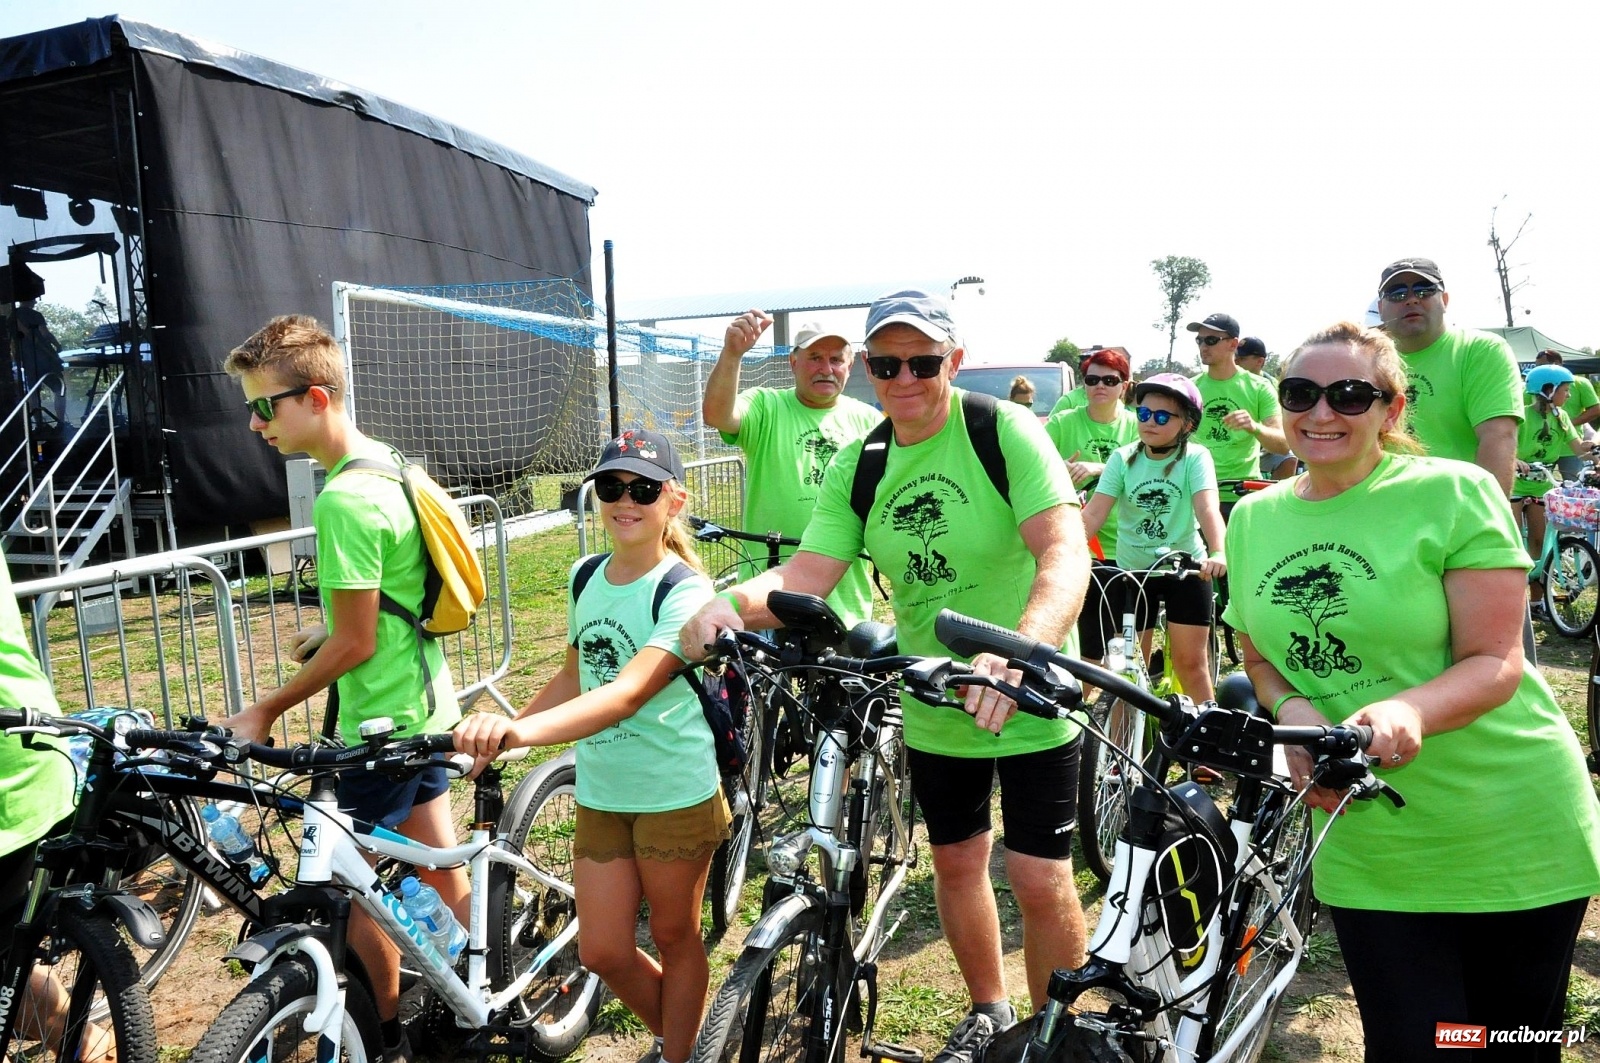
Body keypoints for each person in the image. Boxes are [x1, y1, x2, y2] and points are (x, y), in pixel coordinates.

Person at [681, 288, 1091, 1063]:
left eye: (923, 361)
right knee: (958, 860)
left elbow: (1064, 551)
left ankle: (1051, 1034)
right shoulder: (862, 459)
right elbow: (807, 567)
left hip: (1024, 688)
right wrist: (722, 605)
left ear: (954, 361)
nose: (904, 376)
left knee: (1039, 879)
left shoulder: (1002, 429)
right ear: (869, 368)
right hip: (933, 693)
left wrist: (1019, 649)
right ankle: (987, 1009)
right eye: (887, 362)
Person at [1224, 321, 1600, 1062]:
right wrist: (1294, 708)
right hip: (1370, 841)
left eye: (1350, 394)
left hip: (1510, 828)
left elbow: (1495, 661)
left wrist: (1406, 708)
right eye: (1301, 392)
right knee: (1417, 1046)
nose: (1322, 412)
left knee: (1505, 1044)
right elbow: (1261, 659)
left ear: (1392, 411)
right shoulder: (1254, 516)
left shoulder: (1451, 491)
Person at [220, 314, 463, 1063]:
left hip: (374, 728)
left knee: (353, 899)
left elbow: (357, 638)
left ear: (316, 398)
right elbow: (385, 604)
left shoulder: (341, 501)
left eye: (267, 405)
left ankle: (381, 1036)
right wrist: (333, 635)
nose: (257, 423)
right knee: (438, 864)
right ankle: (475, 991)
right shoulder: (385, 463)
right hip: (425, 705)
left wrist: (265, 705)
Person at [455, 430, 722, 1063]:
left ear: (674, 501)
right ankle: (694, 1038)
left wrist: (518, 732)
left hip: (672, 790)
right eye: (610, 486)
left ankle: (679, 1050)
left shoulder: (685, 591)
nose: (624, 500)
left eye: (643, 488)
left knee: (674, 933)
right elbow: (577, 675)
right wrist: (508, 733)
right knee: (601, 949)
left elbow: (627, 693)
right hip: (603, 789)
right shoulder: (584, 576)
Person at [0, 551, 115, 1063]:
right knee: (7, 952)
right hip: (28, 753)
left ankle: (83, 1043)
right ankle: (83, 1041)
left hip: (12, 771)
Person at [703, 311, 882, 626]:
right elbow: (718, 415)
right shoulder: (766, 407)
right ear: (793, 363)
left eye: (836, 360)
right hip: (764, 597)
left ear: (850, 366)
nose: (826, 369)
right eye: (814, 358)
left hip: (843, 599)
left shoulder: (871, 422)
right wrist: (732, 354)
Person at [1078, 373, 1225, 701]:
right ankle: (1120, 747)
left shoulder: (1195, 458)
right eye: (1143, 414)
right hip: (1133, 574)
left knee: (1191, 664)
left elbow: (1207, 509)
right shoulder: (1122, 457)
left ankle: (1208, 746)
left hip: (1185, 569)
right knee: (1127, 668)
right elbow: (1094, 513)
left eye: (1162, 416)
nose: (1150, 422)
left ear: (1187, 424)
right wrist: (1063, 550)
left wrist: (1218, 552)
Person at [1375, 257, 1522, 495]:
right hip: (1378, 506)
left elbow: (1498, 437)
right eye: (1397, 293)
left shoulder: (1480, 350)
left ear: (1444, 300)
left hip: (1454, 511)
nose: (1412, 299)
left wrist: (1486, 519)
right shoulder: (1366, 360)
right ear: (1381, 309)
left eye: (1425, 290)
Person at [1043, 348, 1139, 666]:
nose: (1100, 386)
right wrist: (1058, 467)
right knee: (1082, 637)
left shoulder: (1138, 426)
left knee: (1121, 639)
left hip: (1125, 541)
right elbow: (1029, 463)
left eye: (1110, 380)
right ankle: (1080, 707)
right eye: (1092, 379)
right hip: (1076, 539)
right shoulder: (1062, 422)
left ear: (1124, 385)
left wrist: (1100, 469)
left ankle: (1117, 702)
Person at [1186, 313, 1290, 517]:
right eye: (1199, 340)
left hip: (1241, 494)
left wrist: (1254, 426)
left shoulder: (1259, 387)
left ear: (1233, 345)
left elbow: (1283, 445)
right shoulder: (1190, 388)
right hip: (1196, 491)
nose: (1203, 346)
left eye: (1211, 340)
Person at [1514, 364, 1594, 617]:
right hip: (1515, 483)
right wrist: (1514, 459)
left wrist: (1593, 449)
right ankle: (1514, 602)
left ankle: (1537, 603)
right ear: (1549, 390)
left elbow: (1578, 448)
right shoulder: (1521, 415)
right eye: (1566, 389)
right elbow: (1506, 445)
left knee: (1540, 543)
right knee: (1513, 542)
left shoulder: (1562, 417)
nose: (1569, 395)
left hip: (1543, 485)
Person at [1533, 349, 1599, 481]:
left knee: (1574, 486)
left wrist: (1568, 423)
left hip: (1570, 449)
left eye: (1543, 365)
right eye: (1538, 366)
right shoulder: (1532, 393)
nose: (1539, 370)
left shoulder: (1579, 385)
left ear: (1557, 363)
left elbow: (1596, 409)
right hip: (1540, 453)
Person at [1237, 336, 1296, 481]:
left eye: (1242, 358)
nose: (1235, 361)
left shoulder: (1274, 387)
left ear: (1260, 361)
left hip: (1263, 447)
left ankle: (1271, 498)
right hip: (1233, 446)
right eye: (1235, 357)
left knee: (1289, 458)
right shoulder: (1229, 381)